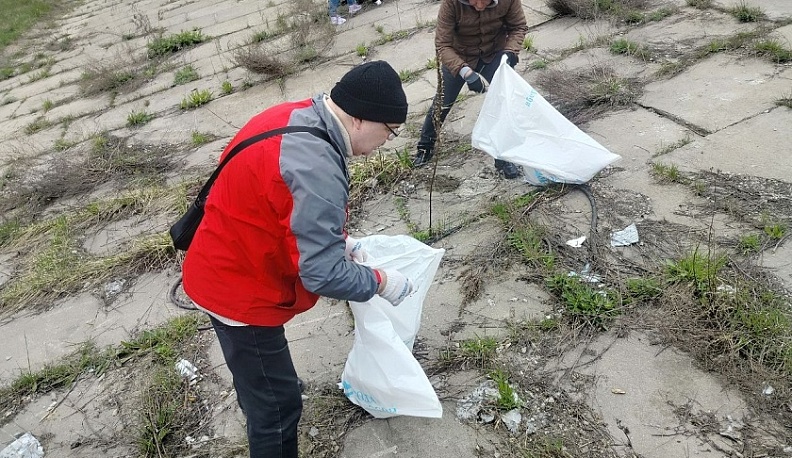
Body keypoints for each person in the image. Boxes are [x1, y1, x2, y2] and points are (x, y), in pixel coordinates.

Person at [181, 60, 414, 458]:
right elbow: (322, 274)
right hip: (238, 292)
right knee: (277, 407)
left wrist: (338, 240)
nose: (388, 142)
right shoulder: (317, 165)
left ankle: (258, 392)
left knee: (262, 385)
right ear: (359, 119)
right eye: (389, 131)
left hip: (223, 255)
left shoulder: (290, 115)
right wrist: (381, 282)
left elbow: (272, 197)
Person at [413, 0, 528, 179]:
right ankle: (425, 146)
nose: (480, 6)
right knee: (442, 103)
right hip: (459, 55)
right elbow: (442, 44)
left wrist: (510, 52)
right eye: (474, 1)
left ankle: (503, 156)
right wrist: (465, 72)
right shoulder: (451, 4)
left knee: (506, 101)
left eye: (485, 1)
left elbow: (519, 27)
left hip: (494, 53)